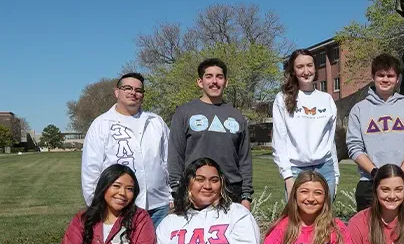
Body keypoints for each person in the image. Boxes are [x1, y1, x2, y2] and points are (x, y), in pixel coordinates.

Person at [81, 72, 171, 228]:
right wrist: (95, 206)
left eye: (138, 90)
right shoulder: (101, 124)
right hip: (120, 207)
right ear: (117, 92)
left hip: (159, 206)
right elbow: (91, 170)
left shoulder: (156, 122)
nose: (133, 93)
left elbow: (168, 161)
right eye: (127, 88)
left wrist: (172, 197)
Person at [168, 58, 254, 209]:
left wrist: (246, 195)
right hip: (195, 189)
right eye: (209, 76)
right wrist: (176, 191)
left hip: (231, 189)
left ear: (226, 82)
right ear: (200, 82)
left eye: (219, 77)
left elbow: (245, 159)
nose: (214, 81)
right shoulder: (184, 112)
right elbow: (176, 155)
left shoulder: (237, 116)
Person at [346, 54, 404, 211]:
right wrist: (375, 172)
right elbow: (354, 147)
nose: (385, 79)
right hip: (370, 181)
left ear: (398, 79)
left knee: (403, 233)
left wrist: (400, 173)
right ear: (373, 77)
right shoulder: (359, 109)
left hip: (403, 180)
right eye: (381, 75)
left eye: (390, 75)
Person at [272, 49, 339, 200]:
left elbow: (330, 141)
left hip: (325, 168)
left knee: (325, 221)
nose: (306, 71)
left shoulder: (326, 99)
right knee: (297, 221)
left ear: (315, 68)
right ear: (293, 71)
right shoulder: (282, 98)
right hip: (296, 170)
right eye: (300, 67)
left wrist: (335, 174)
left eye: (309, 65)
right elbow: (279, 140)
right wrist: (287, 177)